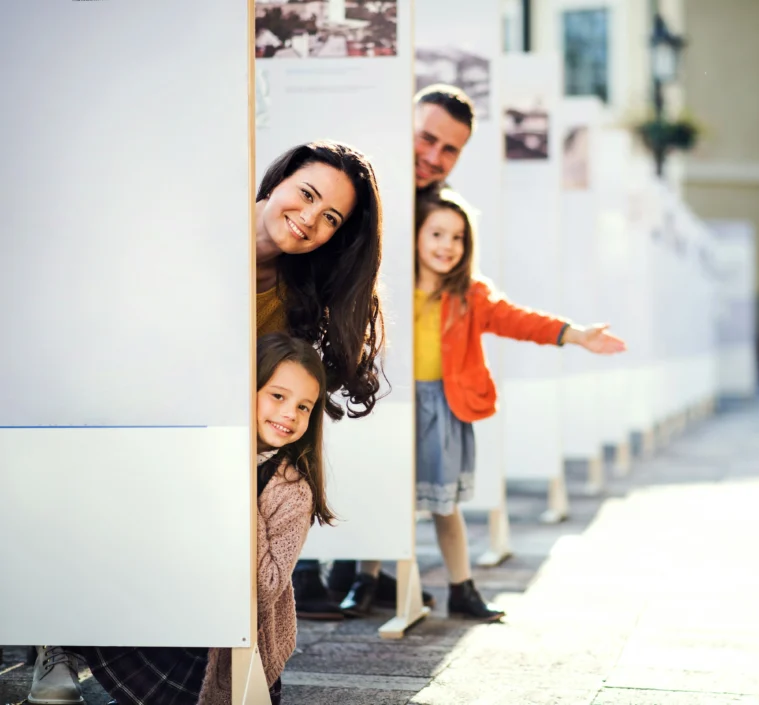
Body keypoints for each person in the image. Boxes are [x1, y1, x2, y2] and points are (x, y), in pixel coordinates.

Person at [28, 140, 388, 703]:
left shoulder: (297, 296)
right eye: (307, 194)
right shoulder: (194, 233)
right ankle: (55, 636)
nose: (309, 219)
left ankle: (185, 651)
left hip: (200, 442)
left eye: (330, 219)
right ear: (277, 180)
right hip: (116, 405)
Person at [339, 189, 627, 620]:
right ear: (415, 235)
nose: (446, 246)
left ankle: (461, 587)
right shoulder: (386, 285)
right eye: (436, 233)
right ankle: (366, 579)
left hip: (442, 410)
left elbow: (518, 320)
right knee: (387, 491)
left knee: (444, 505)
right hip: (393, 404)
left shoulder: (471, 295)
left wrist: (576, 333)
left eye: (457, 238)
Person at [27, 334, 334, 705]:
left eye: (304, 407)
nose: (290, 413)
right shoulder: (198, 452)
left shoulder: (292, 490)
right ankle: (57, 646)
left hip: (216, 654)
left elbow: (267, 586)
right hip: (165, 618)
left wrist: (237, 486)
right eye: (278, 396)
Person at [324, 84, 477, 613]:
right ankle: (348, 576)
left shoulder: (439, 211)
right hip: (340, 354)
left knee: (406, 476)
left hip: (406, 373)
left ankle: (366, 576)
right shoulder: (357, 179)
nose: (434, 157)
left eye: (450, 149)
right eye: (427, 138)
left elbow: (471, 290)